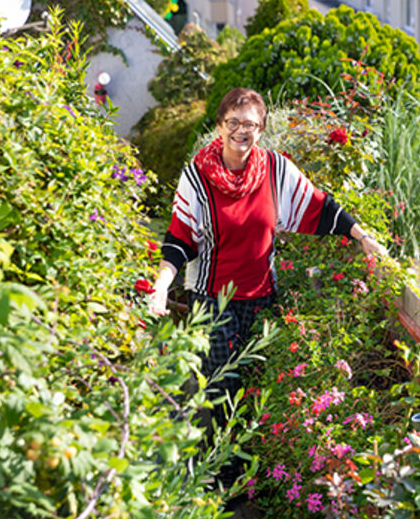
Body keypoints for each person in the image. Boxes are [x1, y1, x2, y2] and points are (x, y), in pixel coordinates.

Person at [148, 87, 381, 433]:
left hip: (260, 298)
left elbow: (319, 206)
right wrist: (161, 286)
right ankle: (219, 474)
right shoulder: (196, 177)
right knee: (222, 386)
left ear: (261, 130)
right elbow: (179, 238)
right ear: (219, 126)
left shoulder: (275, 170)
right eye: (233, 122)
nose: (241, 131)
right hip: (212, 301)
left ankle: (242, 477)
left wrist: (363, 238)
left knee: (253, 391)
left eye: (251, 124)